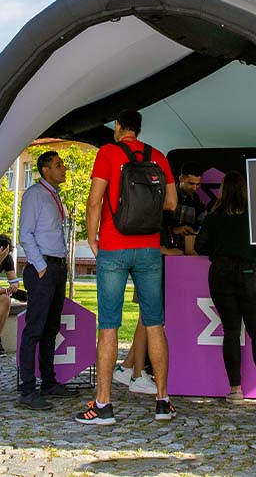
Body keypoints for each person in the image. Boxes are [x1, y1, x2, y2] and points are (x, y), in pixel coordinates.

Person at [78, 109, 177, 425]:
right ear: (139, 129)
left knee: (108, 325)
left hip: (114, 246)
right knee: (154, 324)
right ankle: (162, 401)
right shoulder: (158, 156)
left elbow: (95, 200)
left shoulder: (108, 152)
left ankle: (103, 406)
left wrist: (92, 238)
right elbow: (171, 202)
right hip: (148, 248)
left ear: (118, 127)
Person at [115, 162, 204, 395]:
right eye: (191, 183)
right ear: (179, 177)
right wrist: (170, 243)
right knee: (149, 318)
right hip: (154, 262)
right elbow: (150, 231)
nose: (195, 188)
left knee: (149, 319)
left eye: (198, 184)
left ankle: (128, 368)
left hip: (168, 264)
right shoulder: (158, 199)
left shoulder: (195, 203)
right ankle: (135, 373)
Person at [195, 171, 256, 405]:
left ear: (223, 190)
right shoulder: (255, 216)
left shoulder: (214, 216)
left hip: (220, 274)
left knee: (230, 332)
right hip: (250, 274)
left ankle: (235, 390)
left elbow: (200, 246)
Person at [17, 150, 78, 409]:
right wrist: (41, 266)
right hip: (42, 268)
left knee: (51, 327)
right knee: (35, 329)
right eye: (58, 165)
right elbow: (25, 234)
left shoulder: (54, 196)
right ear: (45, 170)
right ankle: (28, 389)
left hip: (56, 267)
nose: (63, 168)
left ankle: (49, 382)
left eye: (62, 164)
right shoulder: (35, 195)